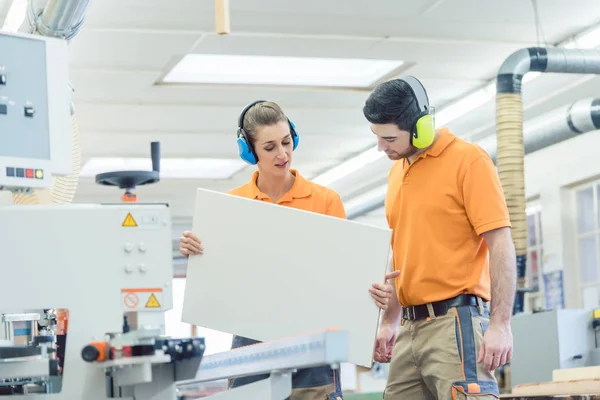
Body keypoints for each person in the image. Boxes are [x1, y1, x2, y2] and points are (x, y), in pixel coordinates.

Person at [180, 100, 398, 400]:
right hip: (251, 343)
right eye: (270, 147)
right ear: (250, 151)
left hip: (313, 345)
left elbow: (342, 275)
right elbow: (220, 279)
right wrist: (195, 252)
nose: (282, 154)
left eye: (286, 142)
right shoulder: (231, 207)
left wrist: (372, 294)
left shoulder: (325, 201)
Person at [362, 77, 517, 400]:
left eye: (389, 138)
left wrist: (500, 325)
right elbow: (399, 253)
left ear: (420, 128)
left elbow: (500, 243)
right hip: (409, 328)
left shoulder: (468, 160)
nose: (381, 147)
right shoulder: (397, 170)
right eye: (377, 137)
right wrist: (389, 322)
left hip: (454, 324)